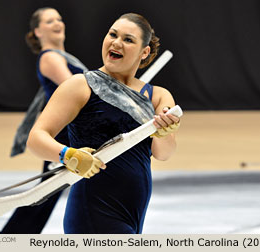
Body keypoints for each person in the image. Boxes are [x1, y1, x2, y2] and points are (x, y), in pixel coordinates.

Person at [27, 13, 181, 234]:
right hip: (91, 211)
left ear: (144, 52)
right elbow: (36, 139)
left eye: (128, 40)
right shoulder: (81, 85)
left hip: (134, 213)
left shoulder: (158, 96)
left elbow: (163, 153)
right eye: (113, 34)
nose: (116, 42)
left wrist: (164, 131)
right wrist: (68, 155)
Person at [0, 7, 87, 234]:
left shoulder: (66, 57)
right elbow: (74, 88)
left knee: (46, 194)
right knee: (44, 195)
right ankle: (9, 239)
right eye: (49, 21)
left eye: (59, 18)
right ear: (38, 31)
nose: (58, 23)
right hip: (66, 133)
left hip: (72, 129)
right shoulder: (50, 57)